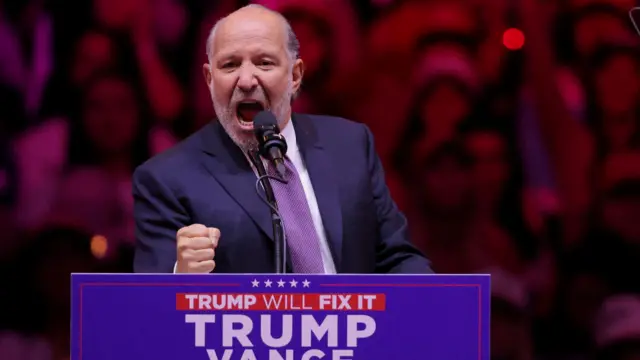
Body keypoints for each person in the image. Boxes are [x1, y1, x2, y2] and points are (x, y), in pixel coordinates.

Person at [132, 4, 432, 274]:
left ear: (295, 75)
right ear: (209, 80)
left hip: (351, 331)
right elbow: (148, 308)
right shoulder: (167, 179)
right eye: (230, 65)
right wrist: (180, 274)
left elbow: (397, 257)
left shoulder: (351, 145)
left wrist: (439, 306)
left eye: (264, 63)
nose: (247, 80)